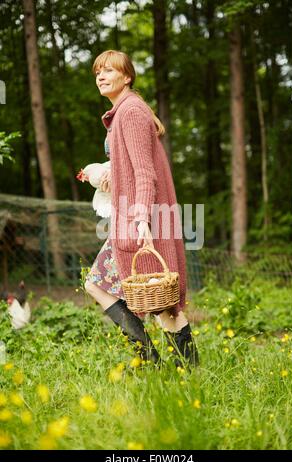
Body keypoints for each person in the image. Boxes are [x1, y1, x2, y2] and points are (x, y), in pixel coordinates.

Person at [84, 49, 199, 368]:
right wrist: (110, 176)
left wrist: (143, 220)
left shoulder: (131, 111)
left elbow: (146, 173)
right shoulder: (122, 113)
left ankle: (181, 371)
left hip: (143, 218)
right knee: (98, 284)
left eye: (109, 70)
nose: (102, 76)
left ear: (127, 76)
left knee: (164, 304)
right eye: (98, 73)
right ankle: (158, 363)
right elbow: (132, 168)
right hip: (134, 216)